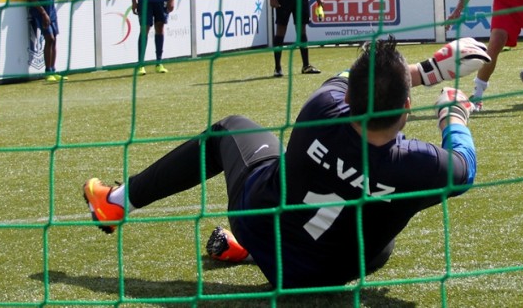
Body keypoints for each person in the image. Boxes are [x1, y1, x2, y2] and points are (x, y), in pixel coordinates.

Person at [82, 36, 490, 288]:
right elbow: (465, 165)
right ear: (405, 106)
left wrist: (424, 70)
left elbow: (347, 78)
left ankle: (116, 202)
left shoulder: (321, 108)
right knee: (381, 239)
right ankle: (244, 249)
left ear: (350, 102)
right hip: (337, 273)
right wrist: (452, 114)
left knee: (229, 129)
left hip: (263, 229)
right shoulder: (422, 167)